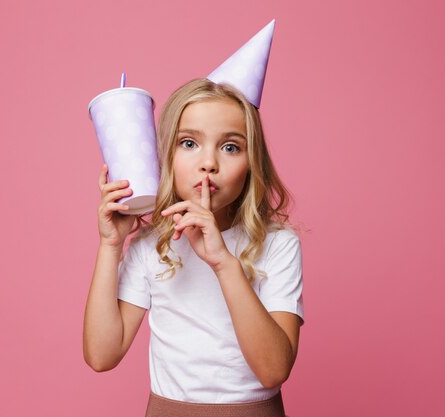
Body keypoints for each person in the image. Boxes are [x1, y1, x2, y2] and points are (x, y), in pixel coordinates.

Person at [84, 19, 304, 417]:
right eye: (189, 143)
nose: (208, 163)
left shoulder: (278, 245)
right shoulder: (152, 247)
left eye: (231, 147)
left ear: (252, 164)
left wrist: (223, 262)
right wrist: (110, 245)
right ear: (167, 157)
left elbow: (273, 370)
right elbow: (102, 355)